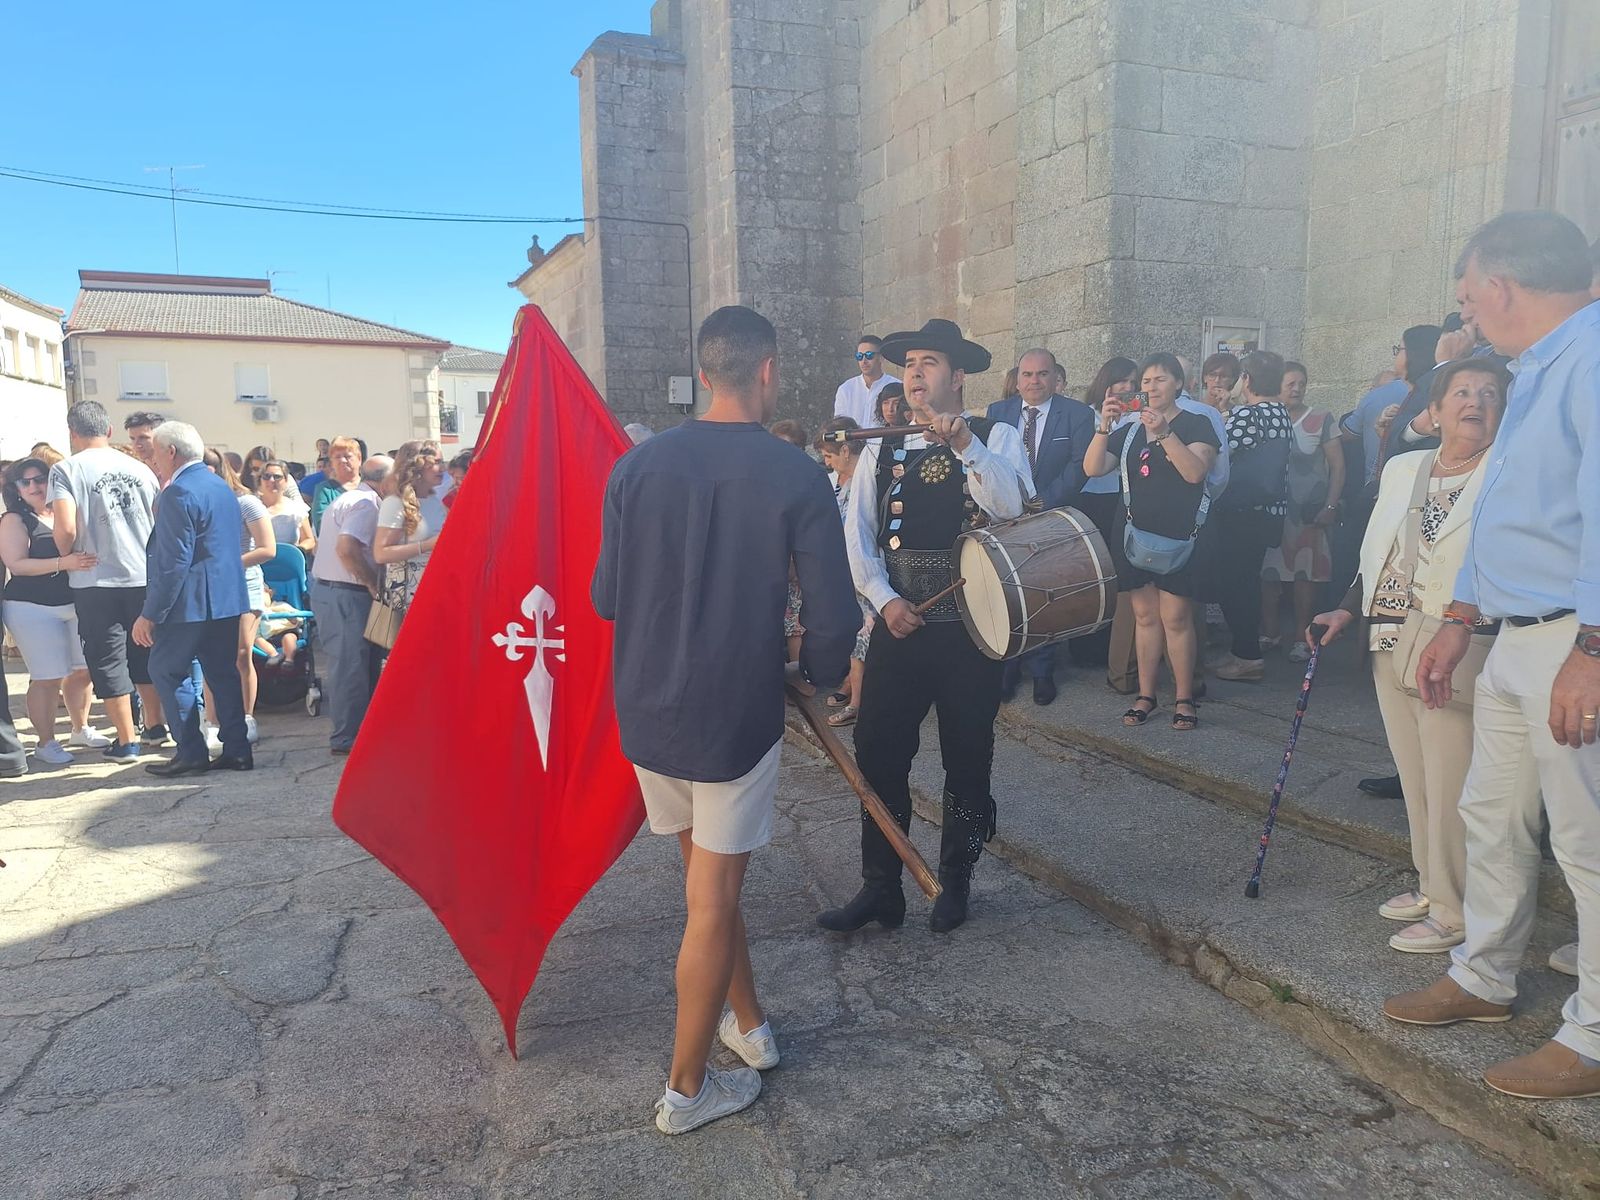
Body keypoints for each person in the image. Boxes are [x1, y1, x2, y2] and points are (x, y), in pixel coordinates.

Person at [592, 305, 857, 1135]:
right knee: (713, 897)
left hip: (647, 704)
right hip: (732, 713)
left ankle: (751, 1025)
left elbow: (606, 596)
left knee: (709, 882)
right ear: (768, 370)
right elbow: (833, 614)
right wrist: (820, 678)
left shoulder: (636, 469)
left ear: (704, 372)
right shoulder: (795, 472)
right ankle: (686, 1088)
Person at [1381, 210, 1600, 1102]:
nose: (1465, 310)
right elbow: (1507, 506)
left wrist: (1593, 646)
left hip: (1569, 640)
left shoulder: (1589, 361)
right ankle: (1484, 976)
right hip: (1513, 637)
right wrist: (1461, 614)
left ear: (1500, 287)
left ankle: (1593, 1032)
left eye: (1468, 294)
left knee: (1588, 841)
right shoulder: (1536, 368)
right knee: (1491, 816)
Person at [823, 317, 1032, 934]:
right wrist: (885, 600)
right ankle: (882, 888)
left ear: (959, 376)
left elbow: (1013, 509)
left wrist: (965, 445)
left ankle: (955, 886)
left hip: (973, 631)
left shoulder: (997, 437)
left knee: (969, 759)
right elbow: (856, 537)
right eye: (909, 363)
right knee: (879, 754)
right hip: (899, 627)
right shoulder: (883, 446)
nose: (915, 372)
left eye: (929, 363)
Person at [1310, 359, 1513, 956]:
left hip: (1460, 634)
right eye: (1461, 392)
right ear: (1437, 405)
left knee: (1452, 777)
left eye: (1488, 393)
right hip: (1390, 632)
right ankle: (1432, 884)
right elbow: (1380, 547)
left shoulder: (1506, 471)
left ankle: (1455, 909)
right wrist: (1348, 607)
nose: (1474, 402)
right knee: (1415, 773)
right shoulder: (1405, 466)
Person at [1082, 353, 1220, 731]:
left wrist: (1163, 433)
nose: (1151, 387)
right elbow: (1093, 469)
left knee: (1176, 618)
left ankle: (1184, 697)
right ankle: (1146, 694)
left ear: (1178, 383)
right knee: (1144, 617)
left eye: (1160, 379)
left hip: (1180, 534)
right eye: (1145, 381)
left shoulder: (1197, 423)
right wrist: (1104, 425)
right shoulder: (1127, 430)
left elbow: (1194, 473)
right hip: (1133, 534)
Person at [47, 401, 162, 760]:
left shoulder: (67, 469)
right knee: (145, 650)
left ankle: (126, 739)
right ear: (109, 431)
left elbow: (64, 526)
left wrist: (66, 554)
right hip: (143, 573)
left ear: (72, 434)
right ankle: (156, 726)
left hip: (95, 577)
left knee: (107, 658)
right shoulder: (140, 468)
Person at [135, 422, 252, 776]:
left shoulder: (178, 492)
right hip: (225, 599)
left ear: (171, 452)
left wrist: (150, 613)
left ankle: (191, 752)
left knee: (166, 670)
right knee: (221, 673)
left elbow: (173, 562)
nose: (154, 460)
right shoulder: (219, 485)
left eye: (156, 452)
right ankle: (237, 749)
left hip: (190, 603)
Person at [986, 347, 1097, 705]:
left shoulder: (1077, 414)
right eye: (1028, 375)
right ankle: (1007, 668)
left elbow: (1080, 466)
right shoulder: (997, 413)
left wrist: (1041, 504)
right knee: (1007, 592)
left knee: (1046, 593)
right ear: (1017, 380)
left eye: (1042, 374)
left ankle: (1043, 671)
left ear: (1055, 377)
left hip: (1052, 514)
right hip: (1004, 519)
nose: (1035, 381)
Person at [0, 459, 105, 763]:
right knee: (47, 676)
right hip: (31, 608)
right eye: (25, 482)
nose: (34, 487)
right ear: (16, 489)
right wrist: (64, 563)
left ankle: (80, 727)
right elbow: (17, 565)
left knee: (82, 670)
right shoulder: (14, 519)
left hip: (74, 603)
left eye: (40, 479)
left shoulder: (65, 511)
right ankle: (45, 743)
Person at [1208, 350, 1293, 682]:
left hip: (1241, 512)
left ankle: (1246, 656)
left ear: (1247, 379)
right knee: (1247, 582)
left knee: (1235, 585)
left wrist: (1221, 412)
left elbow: (1218, 452)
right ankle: (1243, 651)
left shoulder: (1247, 415)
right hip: (1269, 512)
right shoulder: (1279, 413)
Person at [1261, 362, 1345, 663]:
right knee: (1268, 576)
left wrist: (1331, 505)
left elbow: (1338, 466)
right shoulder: (1265, 417)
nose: (1296, 389)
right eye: (1290, 383)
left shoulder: (1321, 419)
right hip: (1273, 512)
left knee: (1305, 578)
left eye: (1302, 383)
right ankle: (1270, 632)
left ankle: (1301, 636)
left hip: (1309, 512)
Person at [311, 455, 392, 755]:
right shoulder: (366, 504)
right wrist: (372, 582)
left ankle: (360, 733)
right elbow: (346, 549)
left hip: (338, 590)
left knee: (361, 664)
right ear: (385, 480)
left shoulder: (355, 499)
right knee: (350, 666)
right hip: (346, 592)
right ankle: (347, 737)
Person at [203, 450, 277, 746]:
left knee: (241, 653)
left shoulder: (245, 502)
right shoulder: (197, 501)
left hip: (244, 584)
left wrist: (227, 563)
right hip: (209, 586)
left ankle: (247, 716)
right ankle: (212, 721)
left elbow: (267, 548)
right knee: (211, 655)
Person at [815, 417, 874, 727]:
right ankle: (851, 686)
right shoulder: (834, 483)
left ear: (847, 451)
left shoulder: (867, 480)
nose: (827, 462)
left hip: (864, 567)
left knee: (863, 634)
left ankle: (857, 703)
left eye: (830, 455)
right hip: (841, 570)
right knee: (853, 632)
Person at [374, 440, 447, 608]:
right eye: (436, 463)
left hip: (436, 589)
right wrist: (427, 545)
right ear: (417, 466)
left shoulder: (434, 500)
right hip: (408, 594)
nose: (442, 468)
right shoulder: (395, 503)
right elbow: (381, 553)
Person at [833, 334, 894, 428]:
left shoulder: (895, 385)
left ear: (881, 357)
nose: (864, 361)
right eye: (859, 356)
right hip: (852, 442)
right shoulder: (846, 389)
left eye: (869, 355)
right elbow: (839, 426)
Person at [257, 460, 315, 555]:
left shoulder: (297, 508)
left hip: (288, 563)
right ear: (260, 480)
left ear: (286, 481)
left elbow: (309, 539)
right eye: (266, 476)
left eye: (277, 477)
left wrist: (297, 551)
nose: (271, 480)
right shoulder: (251, 506)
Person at [310, 437, 361, 536]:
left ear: (359, 458)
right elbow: (322, 525)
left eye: (347, 456)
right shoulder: (324, 490)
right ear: (332, 462)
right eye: (337, 457)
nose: (342, 460)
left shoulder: (369, 486)